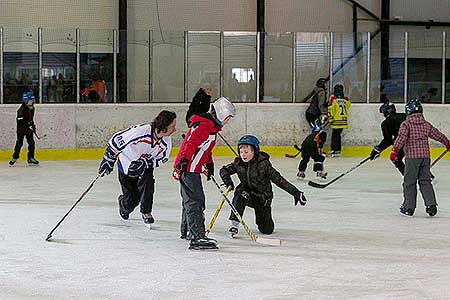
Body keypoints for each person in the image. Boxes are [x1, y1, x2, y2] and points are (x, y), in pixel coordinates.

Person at [173, 97, 235, 250]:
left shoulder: (210, 127)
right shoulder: (204, 127)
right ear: (220, 114)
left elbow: (204, 149)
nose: (227, 122)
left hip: (193, 168)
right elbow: (190, 144)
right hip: (188, 169)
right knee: (195, 201)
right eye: (227, 118)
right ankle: (197, 237)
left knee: (190, 200)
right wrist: (183, 162)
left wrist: (208, 163)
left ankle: (188, 230)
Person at [98, 110, 177, 226]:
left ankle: (146, 211)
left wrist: (146, 163)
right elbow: (117, 139)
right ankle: (124, 205)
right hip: (126, 165)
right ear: (163, 128)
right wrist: (109, 159)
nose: (175, 129)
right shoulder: (140, 132)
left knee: (148, 184)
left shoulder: (166, 141)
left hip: (145, 167)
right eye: (172, 126)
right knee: (132, 200)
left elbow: (163, 159)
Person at [220, 135, 307, 238]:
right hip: (247, 194)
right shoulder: (238, 162)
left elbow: (279, 180)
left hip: (262, 198)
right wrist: (228, 182)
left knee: (266, 230)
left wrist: (295, 192)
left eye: (246, 152)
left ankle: (263, 220)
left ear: (255, 151)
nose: (243, 155)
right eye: (241, 151)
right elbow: (224, 170)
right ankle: (234, 225)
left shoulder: (263, 164)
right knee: (240, 194)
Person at [390, 98, 450, 217]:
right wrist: (447, 142)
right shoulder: (426, 124)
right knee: (425, 181)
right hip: (425, 157)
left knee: (409, 182)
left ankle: (408, 207)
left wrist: (394, 151)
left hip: (412, 158)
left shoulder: (406, 124)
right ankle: (431, 206)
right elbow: (437, 134)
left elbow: (401, 138)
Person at [369, 102, 406, 175]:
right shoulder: (405, 115)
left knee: (396, 158)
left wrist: (377, 149)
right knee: (415, 159)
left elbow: (388, 140)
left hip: (402, 144)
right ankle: (428, 175)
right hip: (416, 142)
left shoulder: (385, 123)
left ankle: (408, 177)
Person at [9, 91, 39, 166]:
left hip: (28, 129)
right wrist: (27, 125)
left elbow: (30, 119)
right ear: (26, 100)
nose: (32, 101)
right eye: (31, 100)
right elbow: (19, 120)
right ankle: (15, 157)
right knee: (19, 143)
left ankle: (30, 158)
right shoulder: (22, 109)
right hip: (21, 129)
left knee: (31, 143)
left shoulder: (32, 108)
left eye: (33, 100)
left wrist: (32, 125)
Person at [327, 84, 351, 157]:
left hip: (336, 121)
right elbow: (348, 104)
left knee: (335, 136)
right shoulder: (345, 100)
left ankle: (334, 150)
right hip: (343, 121)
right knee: (338, 135)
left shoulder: (333, 100)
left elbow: (331, 110)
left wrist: (330, 119)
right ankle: (338, 150)